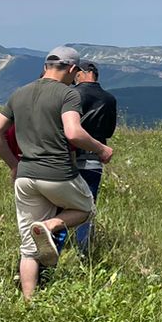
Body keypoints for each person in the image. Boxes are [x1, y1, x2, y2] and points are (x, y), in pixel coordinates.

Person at [0, 46, 115, 297]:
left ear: (45, 66)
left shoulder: (19, 93)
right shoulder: (68, 95)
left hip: (24, 176)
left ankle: (28, 302)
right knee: (86, 209)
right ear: (73, 70)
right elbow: (74, 133)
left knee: (28, 247)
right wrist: (101, 149)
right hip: (57, 173)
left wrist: (13, 164)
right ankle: (51, 225)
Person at [72, 61, 118, 254]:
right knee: (87, 206)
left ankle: (55, 241)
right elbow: (109, 130)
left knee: (61, 205)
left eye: (76, 74)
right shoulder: (109, 99)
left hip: (70, 156)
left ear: (84, 74)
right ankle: (83, 250)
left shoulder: (73, 95)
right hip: (94, 160)